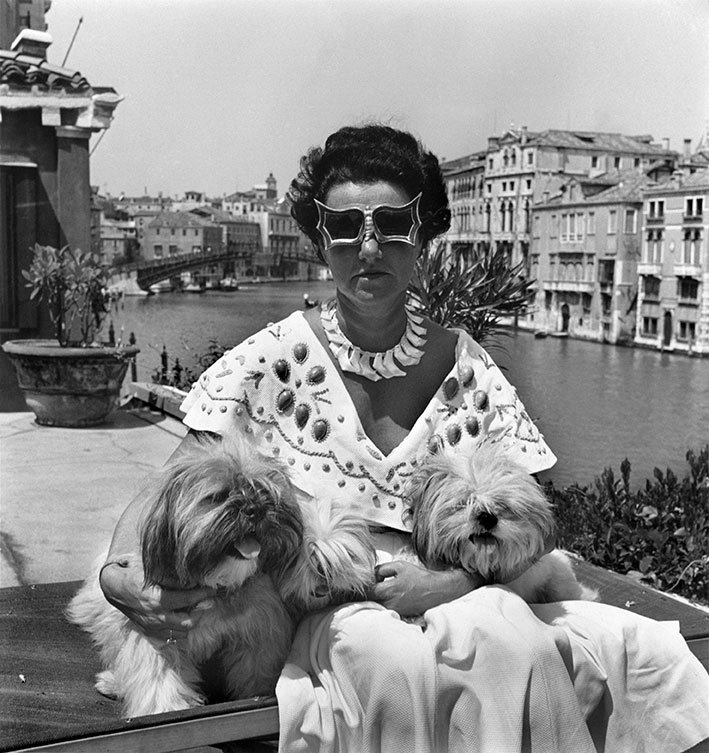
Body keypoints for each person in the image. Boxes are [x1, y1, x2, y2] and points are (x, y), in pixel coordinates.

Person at [101, 124, 709, 753]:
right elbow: (168, 484)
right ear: (321, 240)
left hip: (462, 591)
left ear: (421, 235)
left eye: (392, 223)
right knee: (385, 652)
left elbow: (525, 519)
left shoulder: (467, 368)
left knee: (513, 638)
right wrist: (119, 577)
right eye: (345, 227)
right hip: (323, 609)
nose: (369, 247)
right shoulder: (273, 357)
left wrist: (455, 585)